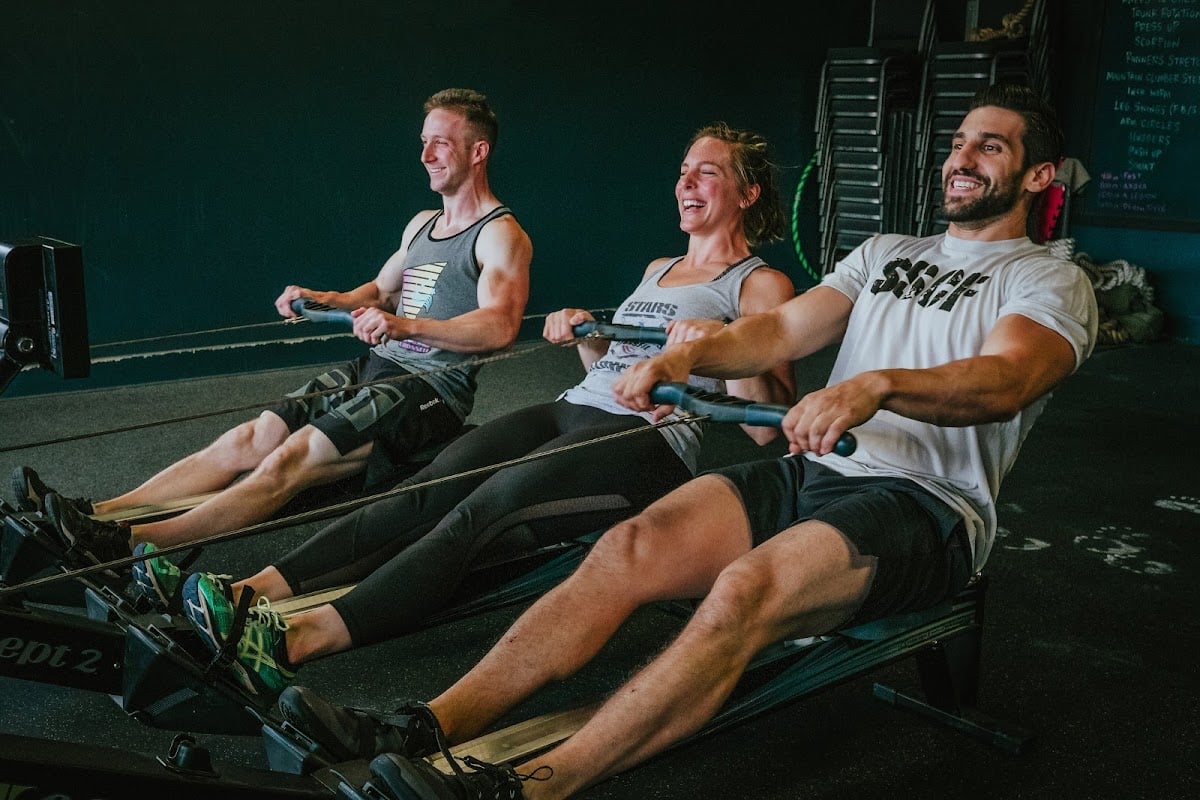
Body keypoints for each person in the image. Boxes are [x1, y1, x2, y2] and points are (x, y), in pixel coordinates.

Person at [274, 83, 1099, 800]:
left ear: (1034, 175)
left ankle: (532, 784)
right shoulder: (884, 253)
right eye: (958, 143)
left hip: (924, 502)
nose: (962, 159)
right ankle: (418, 727)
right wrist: (688, 352)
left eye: (989, 147)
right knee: (625, 550)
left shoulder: (1048, 276)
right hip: (808, 470)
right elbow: (773, 333)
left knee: (740, 593)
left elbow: (1008, 380)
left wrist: (876, 385)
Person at [136, 122, 798, 700]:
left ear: (745, 194)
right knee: (428, 489)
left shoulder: (759, 284)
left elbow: (763, 421)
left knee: (480, 511)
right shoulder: (658, 268)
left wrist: (712, 351)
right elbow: (611, 373)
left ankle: (293, 643)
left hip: (648, 444)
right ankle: (249, 594)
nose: (686, 183)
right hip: (575, 408)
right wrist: (588, 336)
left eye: (706, 174)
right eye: (683, 172)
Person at [12, 88, 533, 564]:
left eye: (440, 144)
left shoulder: (500, 235)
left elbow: (500, 326)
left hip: (429, 390)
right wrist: (322, 297)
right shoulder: (422, 223)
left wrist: (407, 327)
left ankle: (129, 544)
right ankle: (99, 513)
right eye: (424, 142)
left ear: (478, 151)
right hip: (376, 364)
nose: (425, 156)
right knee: (251, 437)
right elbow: (376, 291)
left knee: (291, 458)